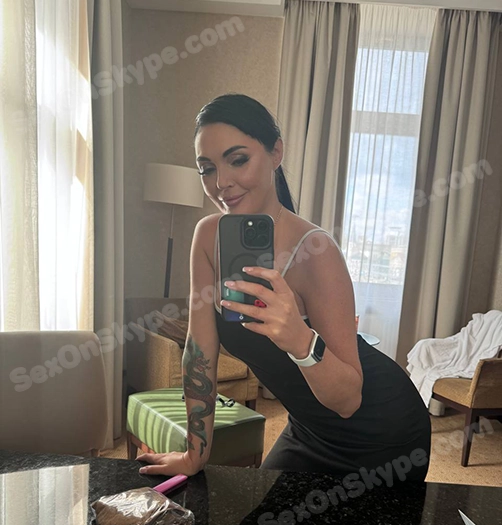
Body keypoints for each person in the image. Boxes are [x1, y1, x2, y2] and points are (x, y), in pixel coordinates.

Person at [137, 93, 431, 482]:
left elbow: (348, 400)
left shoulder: (317, 251)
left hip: (381, 434)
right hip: (308, 429)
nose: (221, 183)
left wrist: (299, 338)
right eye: (207, 169)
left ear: (275, 153)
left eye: (237, 160)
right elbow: (199, 351)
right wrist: (195, 454)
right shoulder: (207, 237)